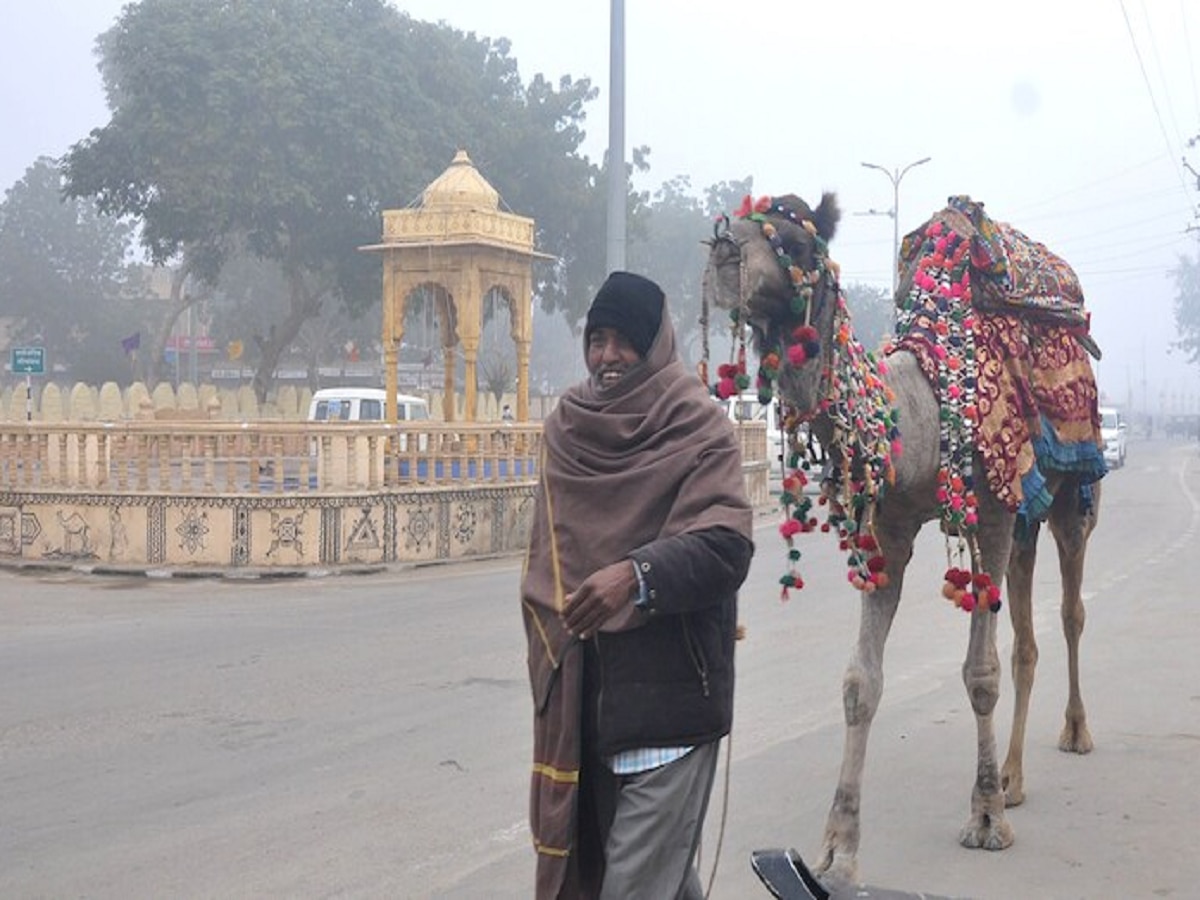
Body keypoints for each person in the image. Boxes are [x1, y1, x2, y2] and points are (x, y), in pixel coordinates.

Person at [521, 271, 755, 899]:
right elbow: (547, 569)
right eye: (598, 339)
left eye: (626, 340)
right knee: (652, 884)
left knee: (630, 889)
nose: (608, 356)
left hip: (668, 713)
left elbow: (726, 547)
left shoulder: (696, 426)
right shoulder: (567, 429)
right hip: (585, 707)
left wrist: (636, 577)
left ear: (655, 344)